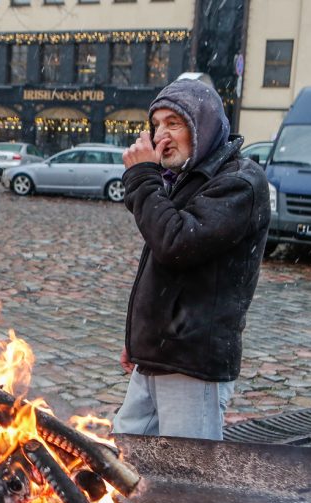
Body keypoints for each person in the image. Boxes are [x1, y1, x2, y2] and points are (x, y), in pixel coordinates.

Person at [114, 78, 271, 440]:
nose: (160, 136)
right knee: (126, 456)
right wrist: (141, 339)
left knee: (187, 479)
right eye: (156, 125)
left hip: (193, 359)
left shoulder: (240, 182)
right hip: (159, 354)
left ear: (203, 126)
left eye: (174, 123)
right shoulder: (185, 178)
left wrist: (141, 178)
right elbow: (162, 257)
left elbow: (176, 243)